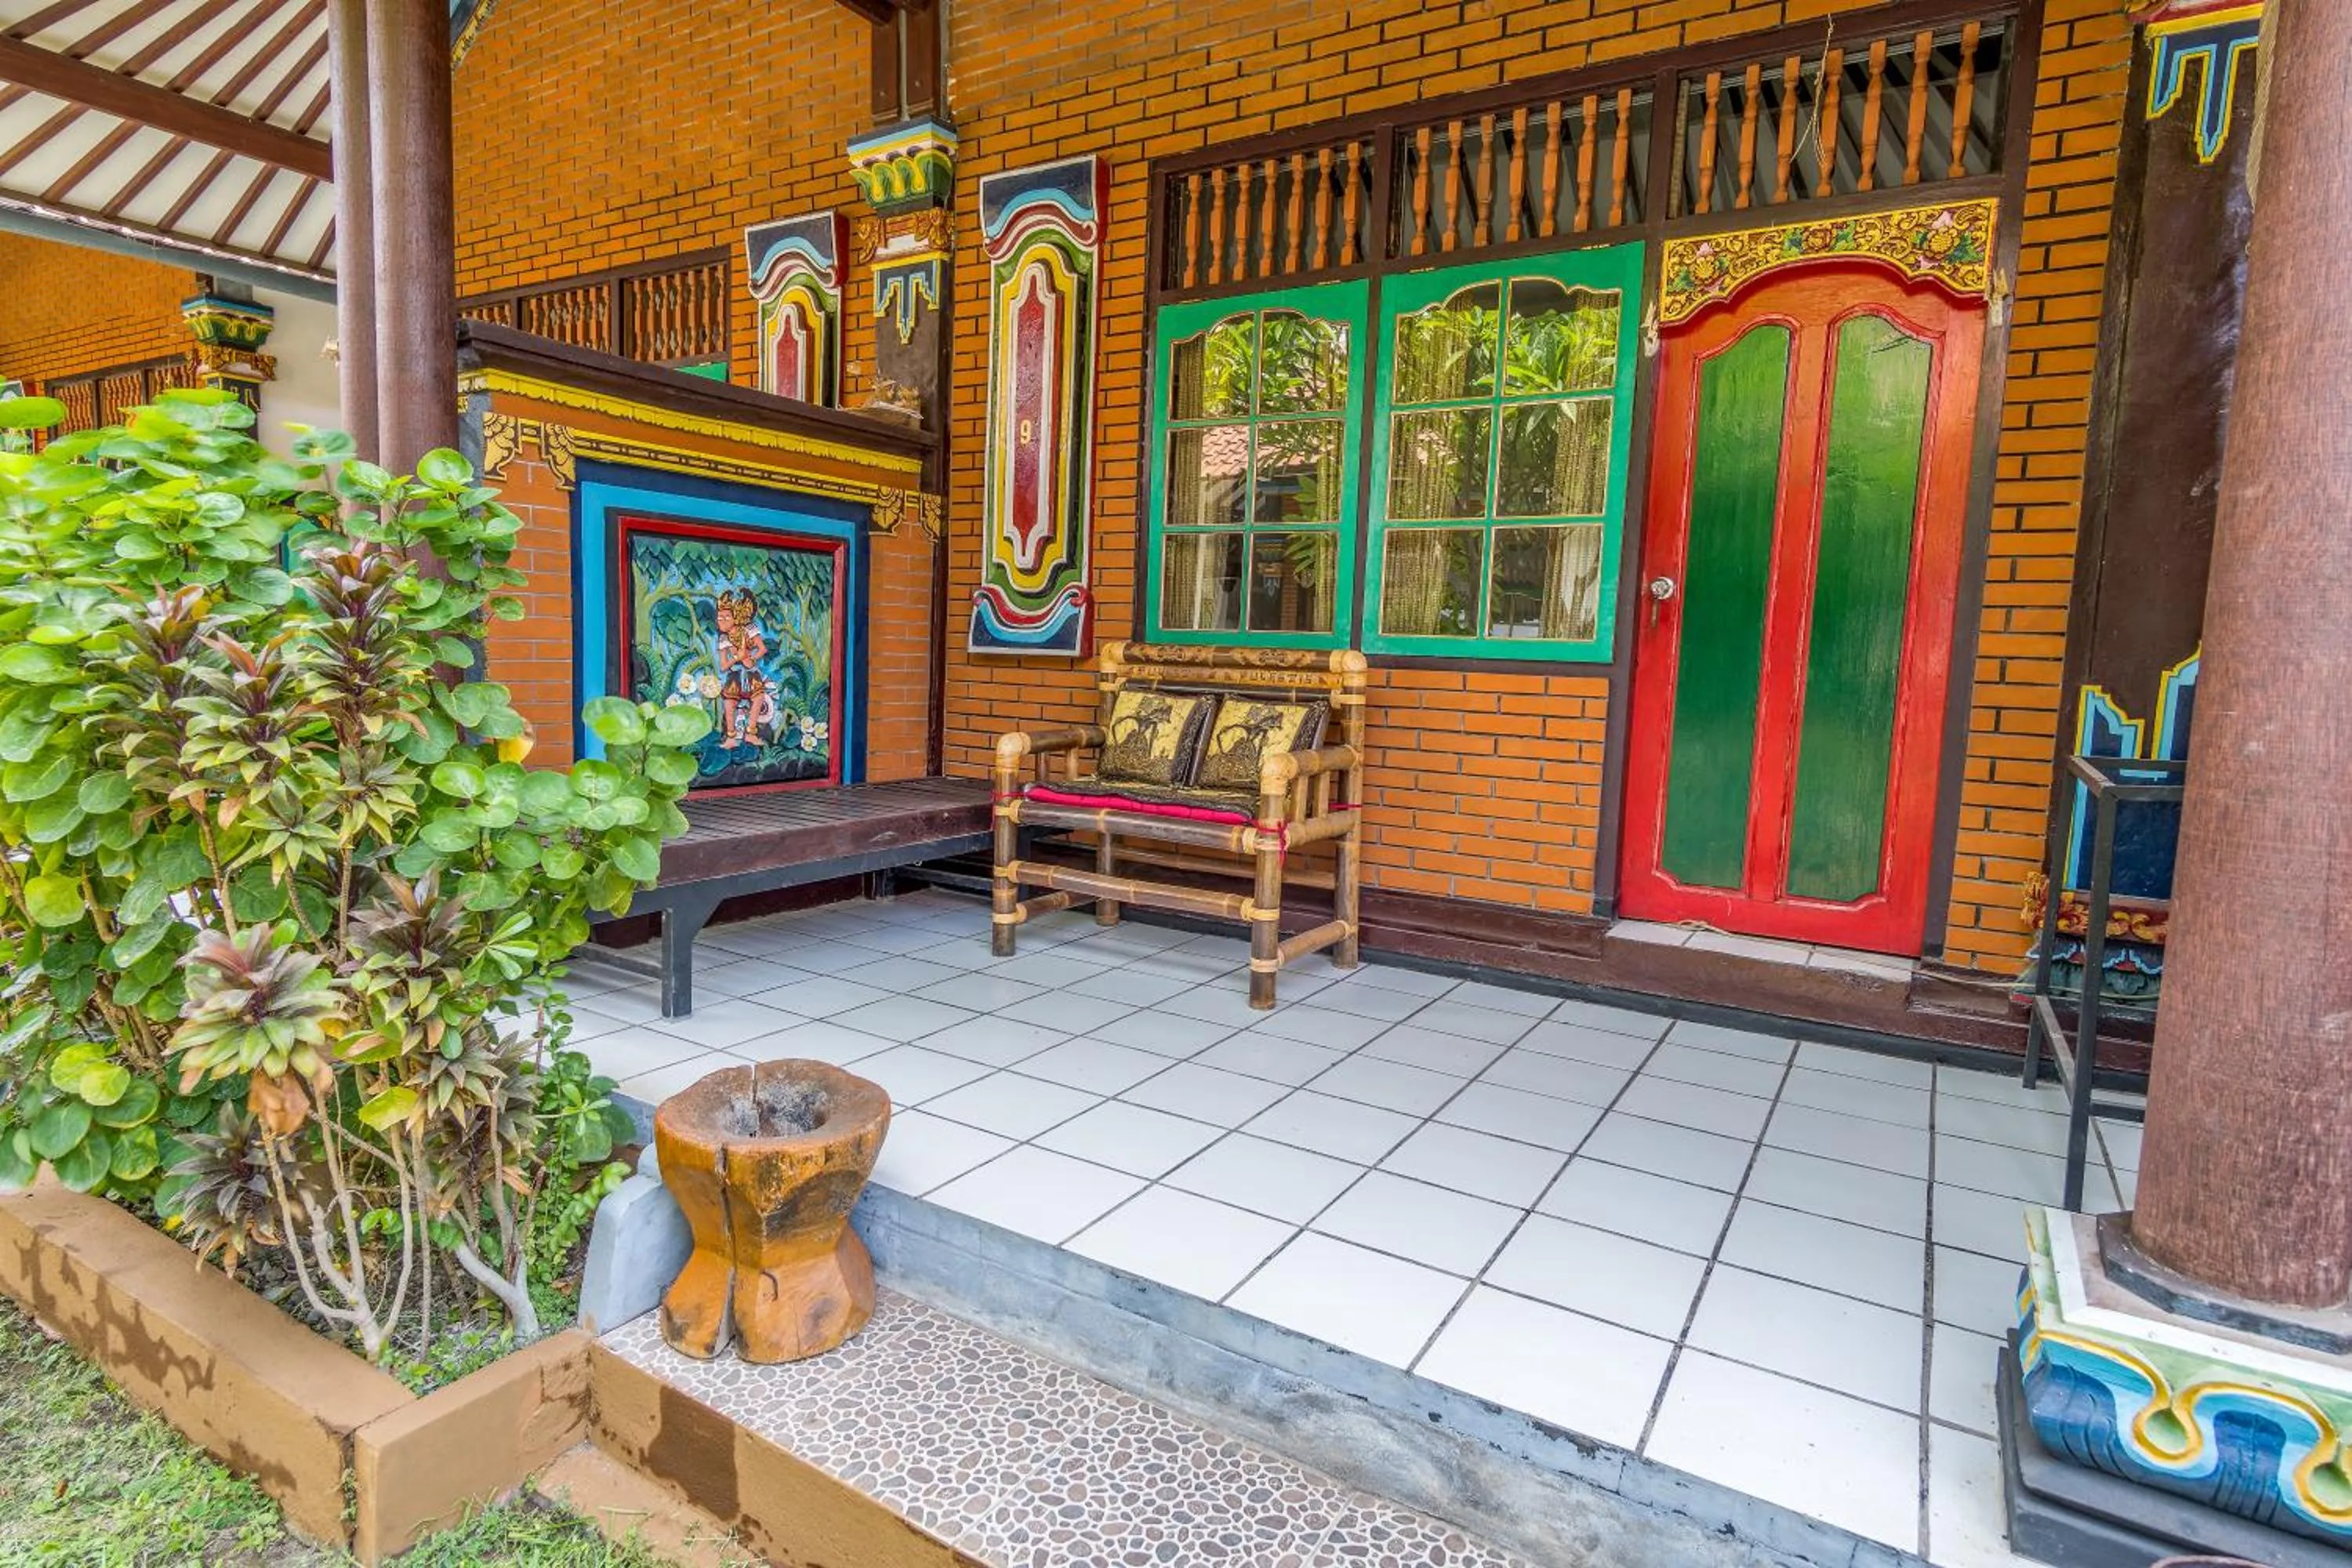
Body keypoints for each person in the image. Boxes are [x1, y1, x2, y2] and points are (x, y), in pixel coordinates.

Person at [713, 588, 768, 749]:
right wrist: (737, 658)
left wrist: (750, 658)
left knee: (758, 698)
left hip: (750, 671)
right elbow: (724, 666)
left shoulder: (749, 629)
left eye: (726, 617)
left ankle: (751, 734)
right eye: (719, 618)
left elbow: (762, 649)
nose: (721, 621)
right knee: (729, 703)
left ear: (736, 617)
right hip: (735, 674)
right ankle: (731, 737)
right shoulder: (724, 638)